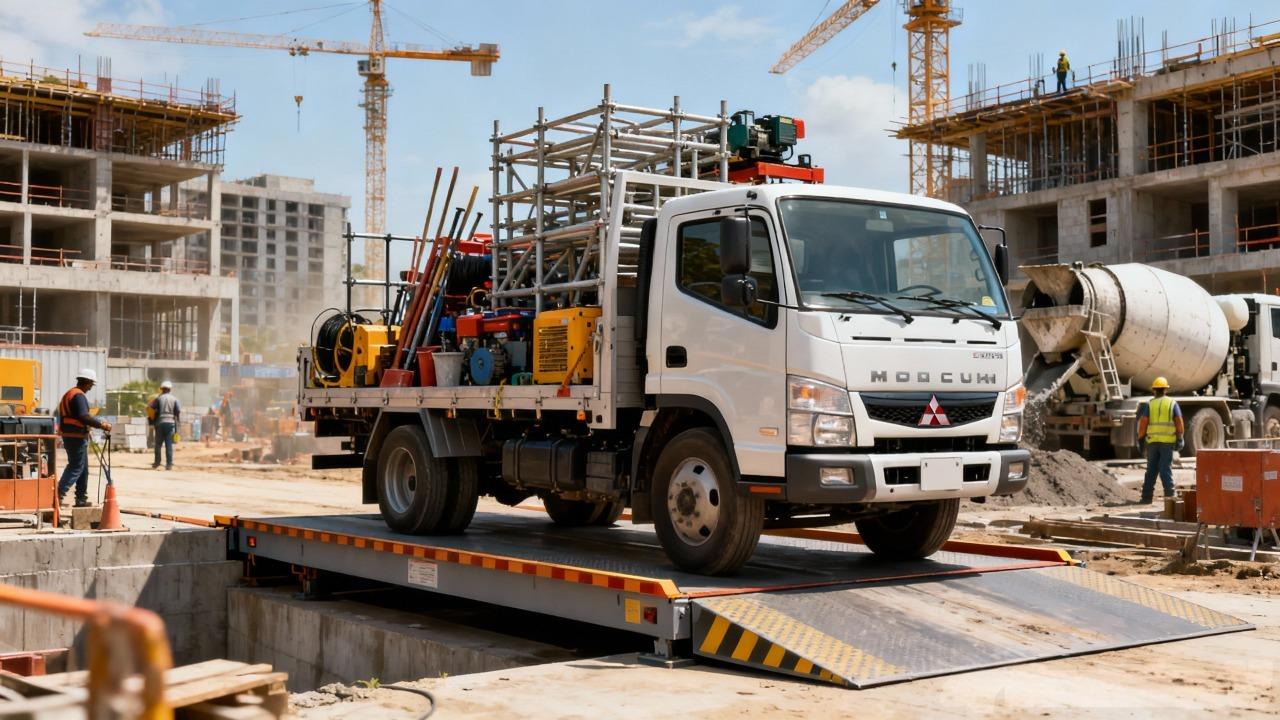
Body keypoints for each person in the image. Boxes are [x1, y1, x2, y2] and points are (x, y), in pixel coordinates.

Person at [56, 369, 111, 507]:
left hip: (73, 435)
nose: (91, 387)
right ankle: (57, 495)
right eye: (91, 384)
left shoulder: (70, 393)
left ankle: (81, 499)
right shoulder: (78, 395)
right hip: (75, 436)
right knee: (76, 467)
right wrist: (101, 425)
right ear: (86, 382)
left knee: (83, 468)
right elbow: (83, 416)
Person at [1137, 376, 1184, 503]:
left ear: (1154, 390)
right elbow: (1179, 421)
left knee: (1151, 470)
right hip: (1167, 443)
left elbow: (1143, 423)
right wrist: (1180, 438)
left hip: (1152, 442)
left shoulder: (1150, 404)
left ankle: (1146, 498)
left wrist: (1141, 439)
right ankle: (1170, 496)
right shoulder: (1171, 403)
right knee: (1165, 468)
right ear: (1165, 390)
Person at [149, 380, 181, 470]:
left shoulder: (159, 398)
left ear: (162, 389)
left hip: (160, 423)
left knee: (158, 444)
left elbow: (151, 406)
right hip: (170, 424)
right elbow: (178, 411)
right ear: (170, 389)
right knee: (168, 444)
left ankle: (157, 463)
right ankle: (169, 464)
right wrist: (177, 421)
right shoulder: (174, 399)